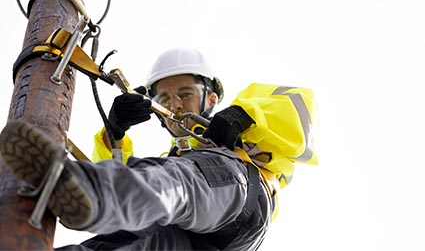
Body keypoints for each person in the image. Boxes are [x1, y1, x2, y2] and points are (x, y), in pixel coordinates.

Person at [0, 48, 317, 250]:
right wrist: (116, 133)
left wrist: (244, 115)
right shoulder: (174, 159)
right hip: (186, 239)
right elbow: (132, 188)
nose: (176, 105)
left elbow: (301, 107)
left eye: (185, 93)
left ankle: (90, 188)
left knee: (175, 180)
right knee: (135, 238)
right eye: (164, 99)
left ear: (210, 98)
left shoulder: (241, 132)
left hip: (240, 205)